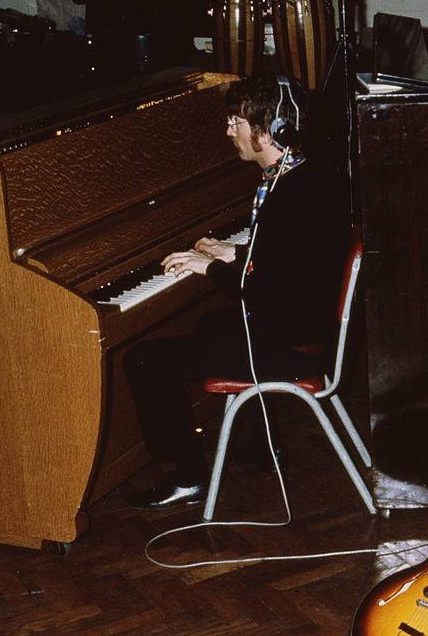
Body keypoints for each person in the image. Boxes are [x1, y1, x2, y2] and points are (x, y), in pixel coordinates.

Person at [124, 74, 351, 509]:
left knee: (144, 360)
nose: (229, 131)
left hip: (292, 345)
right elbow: (291, 259)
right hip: (304, 327)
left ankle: (188, 477)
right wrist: (236, 250)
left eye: (236, 121)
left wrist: (212, 267)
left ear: (270, 129)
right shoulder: (304, 176)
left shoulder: (292, 193)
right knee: (212, 321)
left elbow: (267, 294)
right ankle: (259, 445)